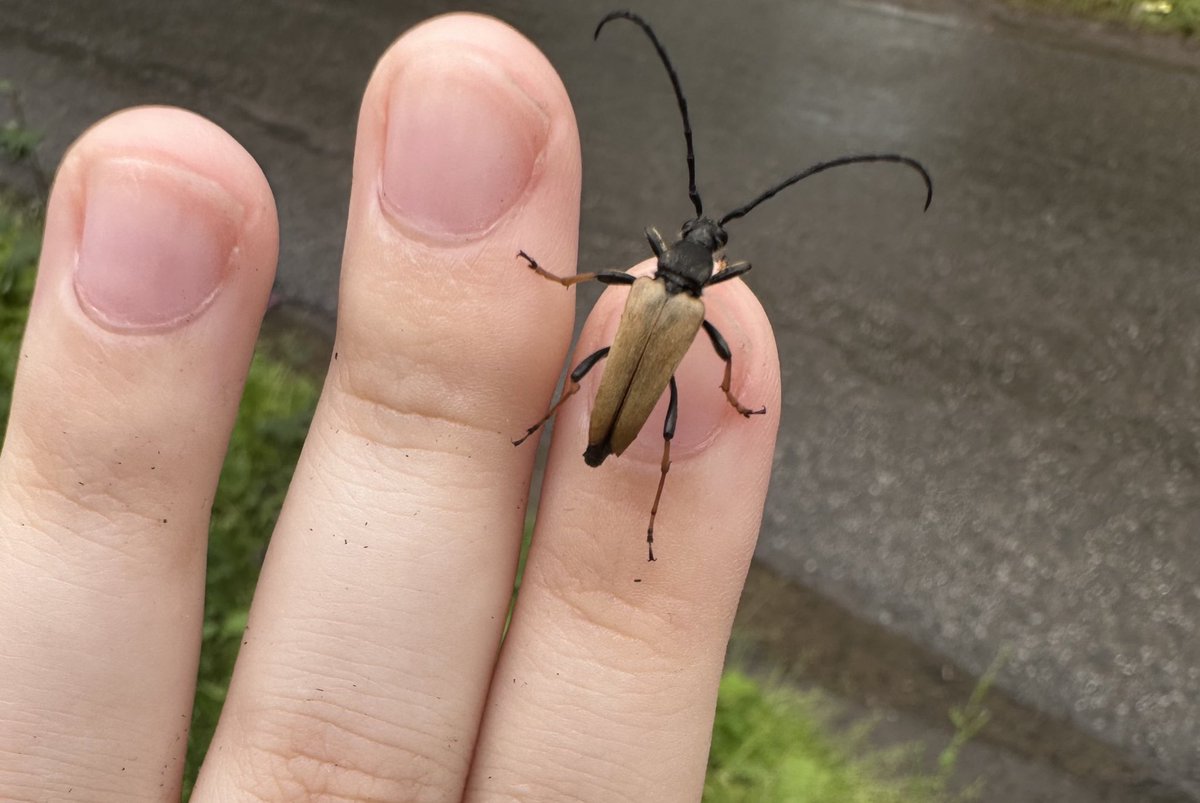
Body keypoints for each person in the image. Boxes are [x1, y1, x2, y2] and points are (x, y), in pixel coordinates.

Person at [0, 13, 780, 800]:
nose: (698, 242)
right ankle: (620, 463)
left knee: (601, 365)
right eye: (705, 241)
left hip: (625, 368)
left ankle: (566, 427)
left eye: (699, 237)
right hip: (644, 368)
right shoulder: (690, 308)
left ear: (682, 245)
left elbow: (603, 280)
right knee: (647, 389)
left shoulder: (652, 292)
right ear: (708, 262)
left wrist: (556, 288)